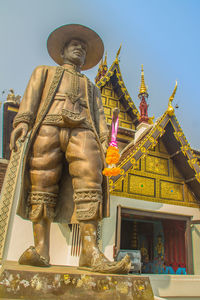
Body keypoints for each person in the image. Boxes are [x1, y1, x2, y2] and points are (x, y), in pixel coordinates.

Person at [10, 24, 130, 273]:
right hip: (48, 126)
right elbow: (30, 102)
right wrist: (22, 122)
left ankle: (89, 251)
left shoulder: (92, 88)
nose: (80, 49)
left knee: (90, 182)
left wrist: (108, 143)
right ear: (62, 51)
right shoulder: (43, 72)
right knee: (41, 181)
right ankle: (41, 249)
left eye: (84, 48)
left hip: (84, 131)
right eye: (75, 45)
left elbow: (100, 118)